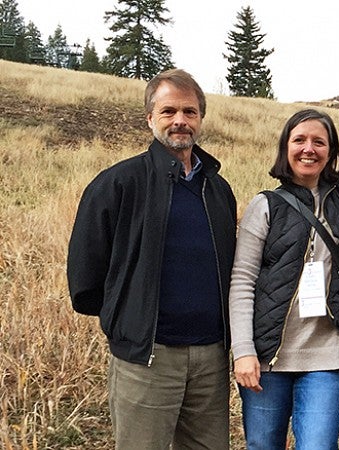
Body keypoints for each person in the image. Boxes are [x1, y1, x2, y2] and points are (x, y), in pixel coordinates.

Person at [66, 68, 237, 449]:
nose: (180, 121)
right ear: (150, 118)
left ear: (201, 119)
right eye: (169, 111)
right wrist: (127, 320)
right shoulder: (119, 183)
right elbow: (85, 272)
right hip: (147, 357)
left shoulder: (218, 188)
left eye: (190, 112)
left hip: (211, 357)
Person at [228, 109, 339, 450]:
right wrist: (244, 351)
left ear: (331, 152)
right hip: (268, 357)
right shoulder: (266, 205)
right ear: (285, 148)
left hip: (327, 355)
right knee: (262, 445)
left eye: (319, 142)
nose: (309, 149)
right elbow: (243, 280)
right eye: (299, 140)